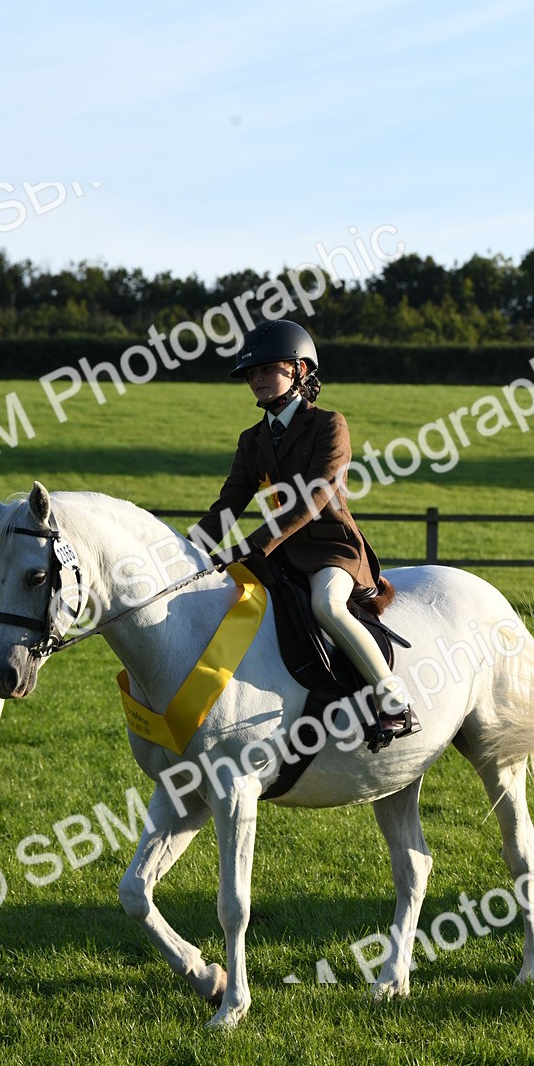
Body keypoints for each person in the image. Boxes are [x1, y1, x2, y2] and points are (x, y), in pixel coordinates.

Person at [189, 319, 419, 748]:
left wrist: (253, 544)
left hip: (332, 548)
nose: (256, 379)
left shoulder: (330, 424)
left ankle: (394, 701)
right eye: (250, 373)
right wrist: (186, 551)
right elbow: (228, 504)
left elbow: (314, 497)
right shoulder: (252, 440)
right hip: (280, 554)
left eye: (266, 369)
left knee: (325, 605)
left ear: (298, 369)